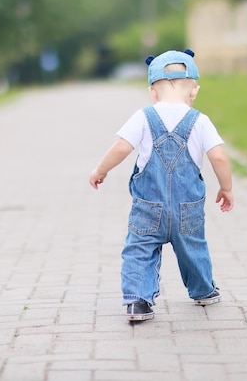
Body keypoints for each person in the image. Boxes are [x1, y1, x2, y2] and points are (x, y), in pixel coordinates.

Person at [89, 49, 234, 321]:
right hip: (187, 208)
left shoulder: (143, 117)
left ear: (152, 92)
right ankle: (203, 291)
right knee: (193, 249)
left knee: (138, 251)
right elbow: (218, 156)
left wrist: (101, 170)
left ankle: (137, 301)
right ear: (194, 91)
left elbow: (121, 147)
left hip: (148, 208)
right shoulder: (200, 121)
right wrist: (226, 187)